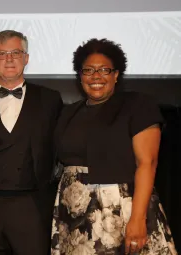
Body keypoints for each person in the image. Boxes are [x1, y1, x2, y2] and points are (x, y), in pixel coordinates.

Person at [51, 38, 178, 254]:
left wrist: (137, 219)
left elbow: (147, 163)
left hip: (122, 212)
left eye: (104, 70)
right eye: (88, 70)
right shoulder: (69, 112)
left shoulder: (137, 105)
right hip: (72, 214)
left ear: (116, 75)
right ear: (80, 76)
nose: (96, 76)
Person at [0, 30, 63, 255]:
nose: (9, 59)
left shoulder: (50, 100)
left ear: (26, 58)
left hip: (33, 206)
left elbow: (61, 151)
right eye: (2, 54)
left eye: (15, 53)